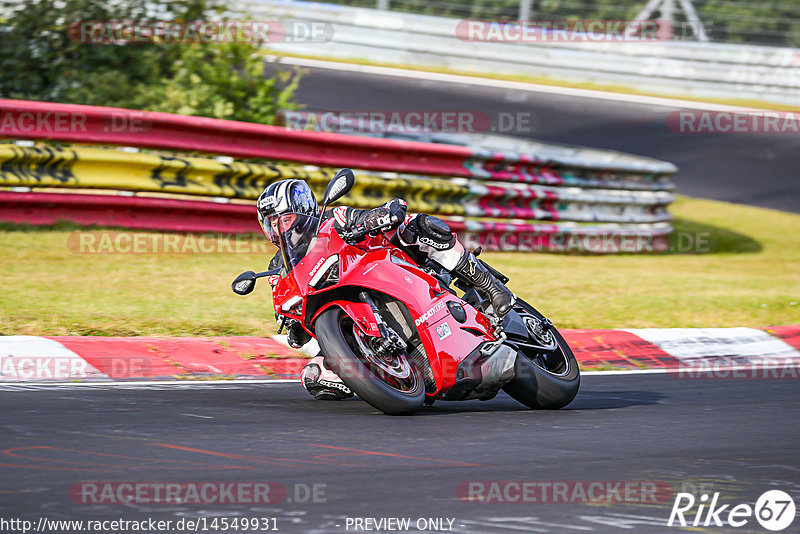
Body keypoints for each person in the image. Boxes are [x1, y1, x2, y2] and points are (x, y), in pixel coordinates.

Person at [256, 176, 515, 400]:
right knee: (313, 376)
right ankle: (391, 375)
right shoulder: (279, 267)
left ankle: (491, 287)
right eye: (272, 223)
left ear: (304, 210)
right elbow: (295, 332)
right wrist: (290, 320)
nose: (280, 228)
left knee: (420, 226)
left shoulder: (333, 220)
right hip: (347, 315)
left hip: (387, 271)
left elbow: (379, 213)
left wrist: (383, 214)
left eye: (285, 219)